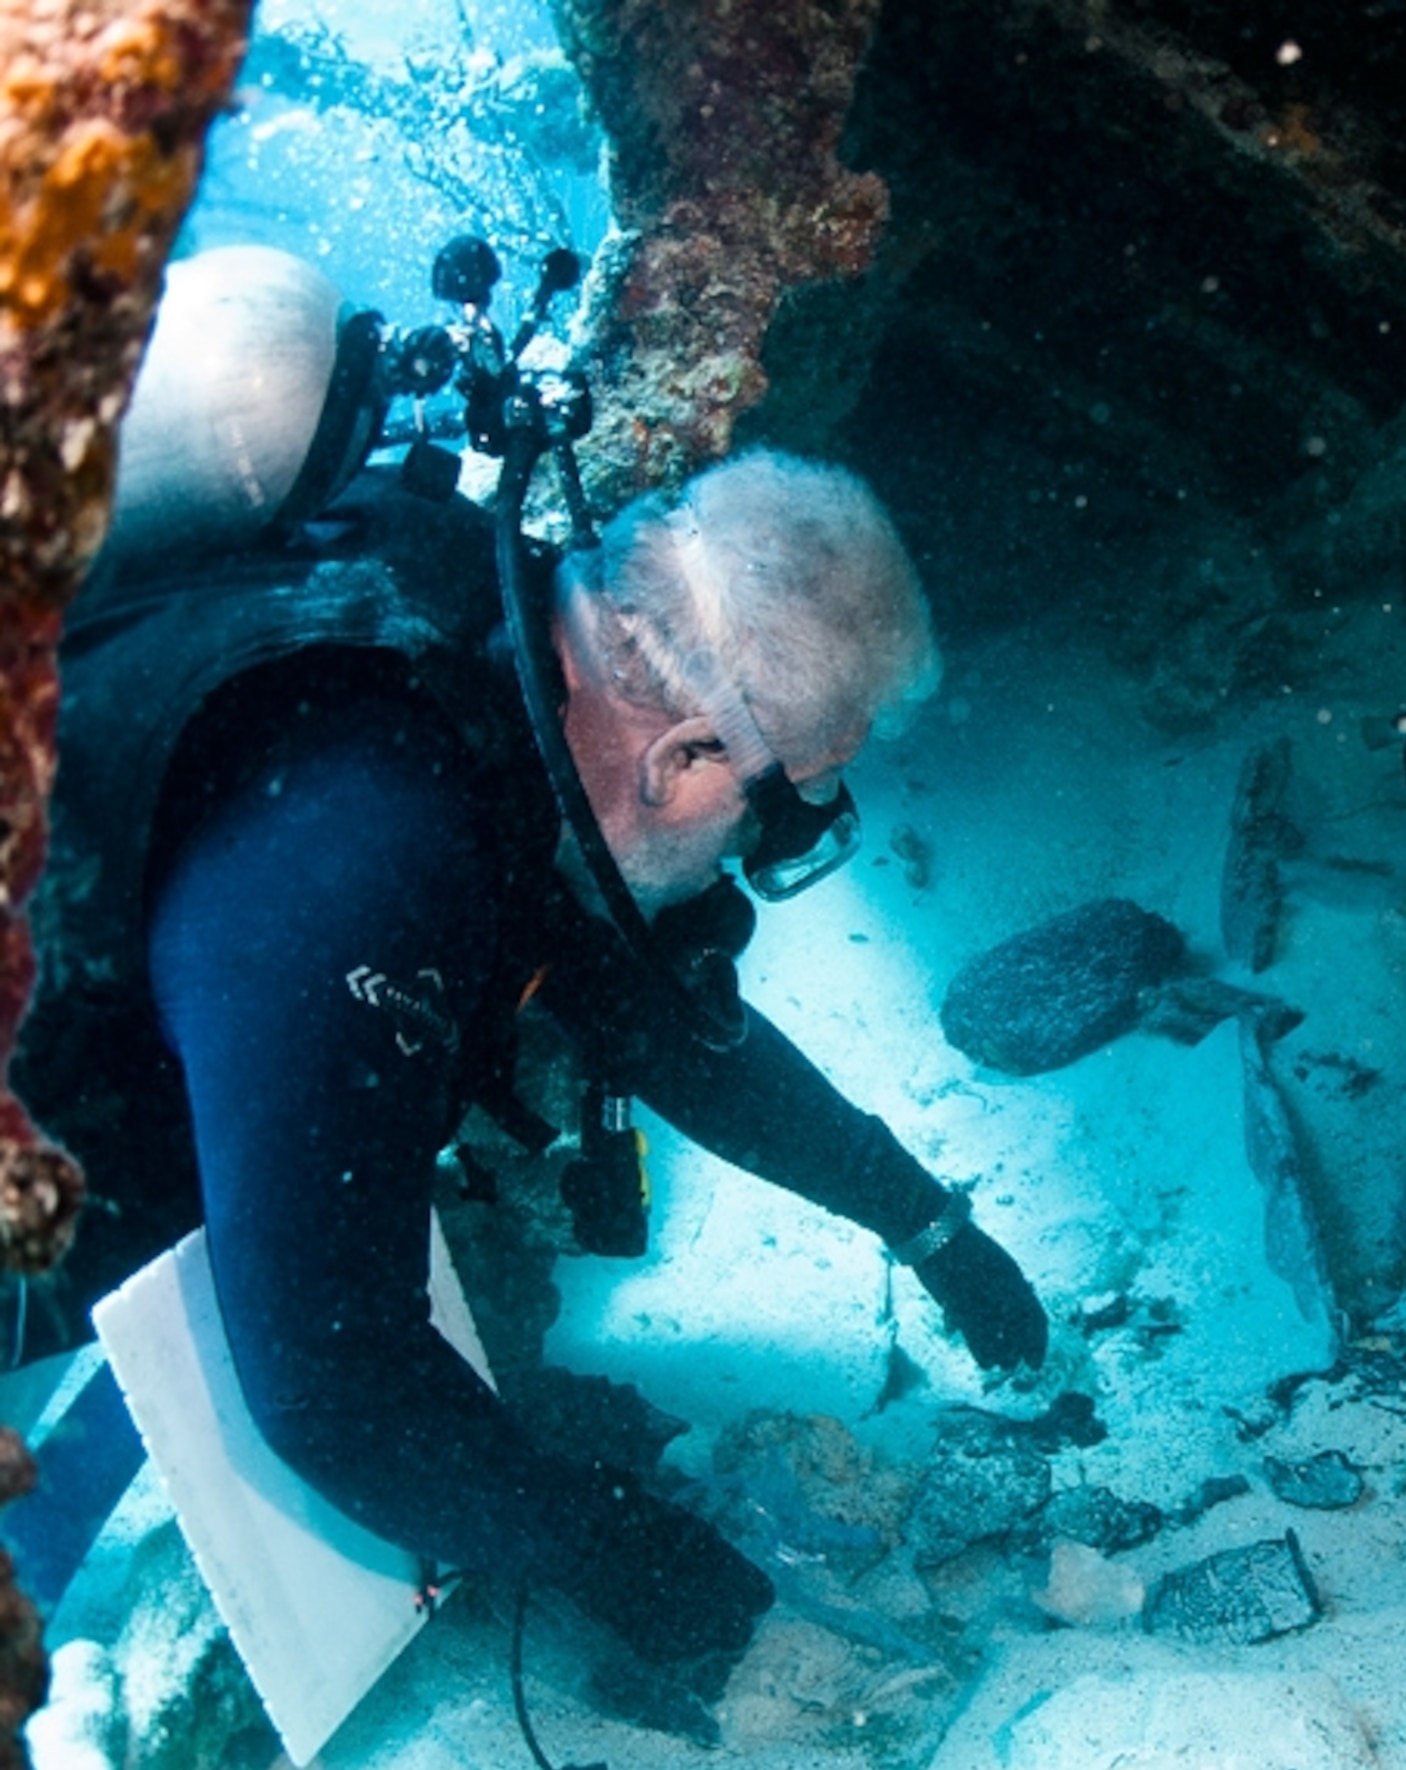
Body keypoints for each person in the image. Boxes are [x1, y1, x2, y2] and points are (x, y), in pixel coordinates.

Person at [25, 438, 1048, 1689]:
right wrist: (620, 1552)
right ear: (680, 759)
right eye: (781, 810)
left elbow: (657, 1022)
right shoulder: (372, 860)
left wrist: (926, 1222)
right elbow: (334, 1387)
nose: (753, 858)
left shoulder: (500, 666)